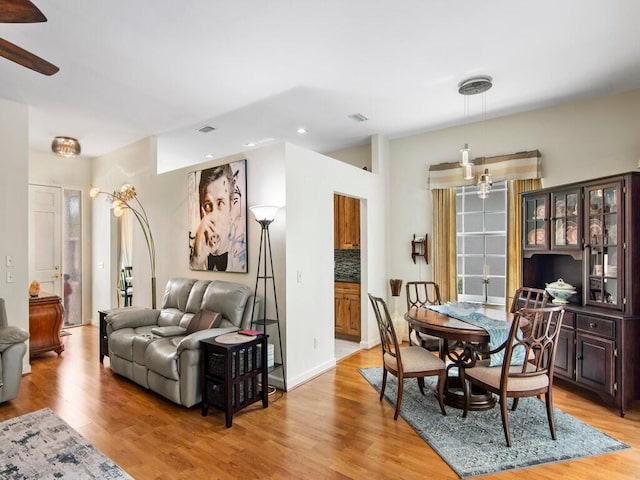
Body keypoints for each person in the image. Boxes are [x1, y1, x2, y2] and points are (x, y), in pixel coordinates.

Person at [190, 164, 241, 271]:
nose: (214, 217)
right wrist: (196, 260)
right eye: (207, 206)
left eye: (220, 203)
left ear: (230, 208)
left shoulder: (239, 263)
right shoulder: (193, 261)